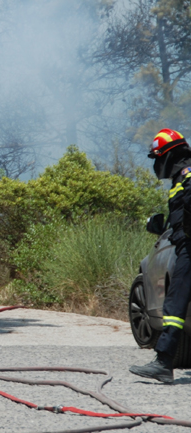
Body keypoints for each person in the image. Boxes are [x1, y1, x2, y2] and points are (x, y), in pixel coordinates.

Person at [130, 128, 191, 384]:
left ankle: (164, 363)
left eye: (158, 158)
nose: (157, 165)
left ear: (169, 155)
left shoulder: (188, 175)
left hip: (189, 247)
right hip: (184, 245)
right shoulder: (180, 179)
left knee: (175, 305)